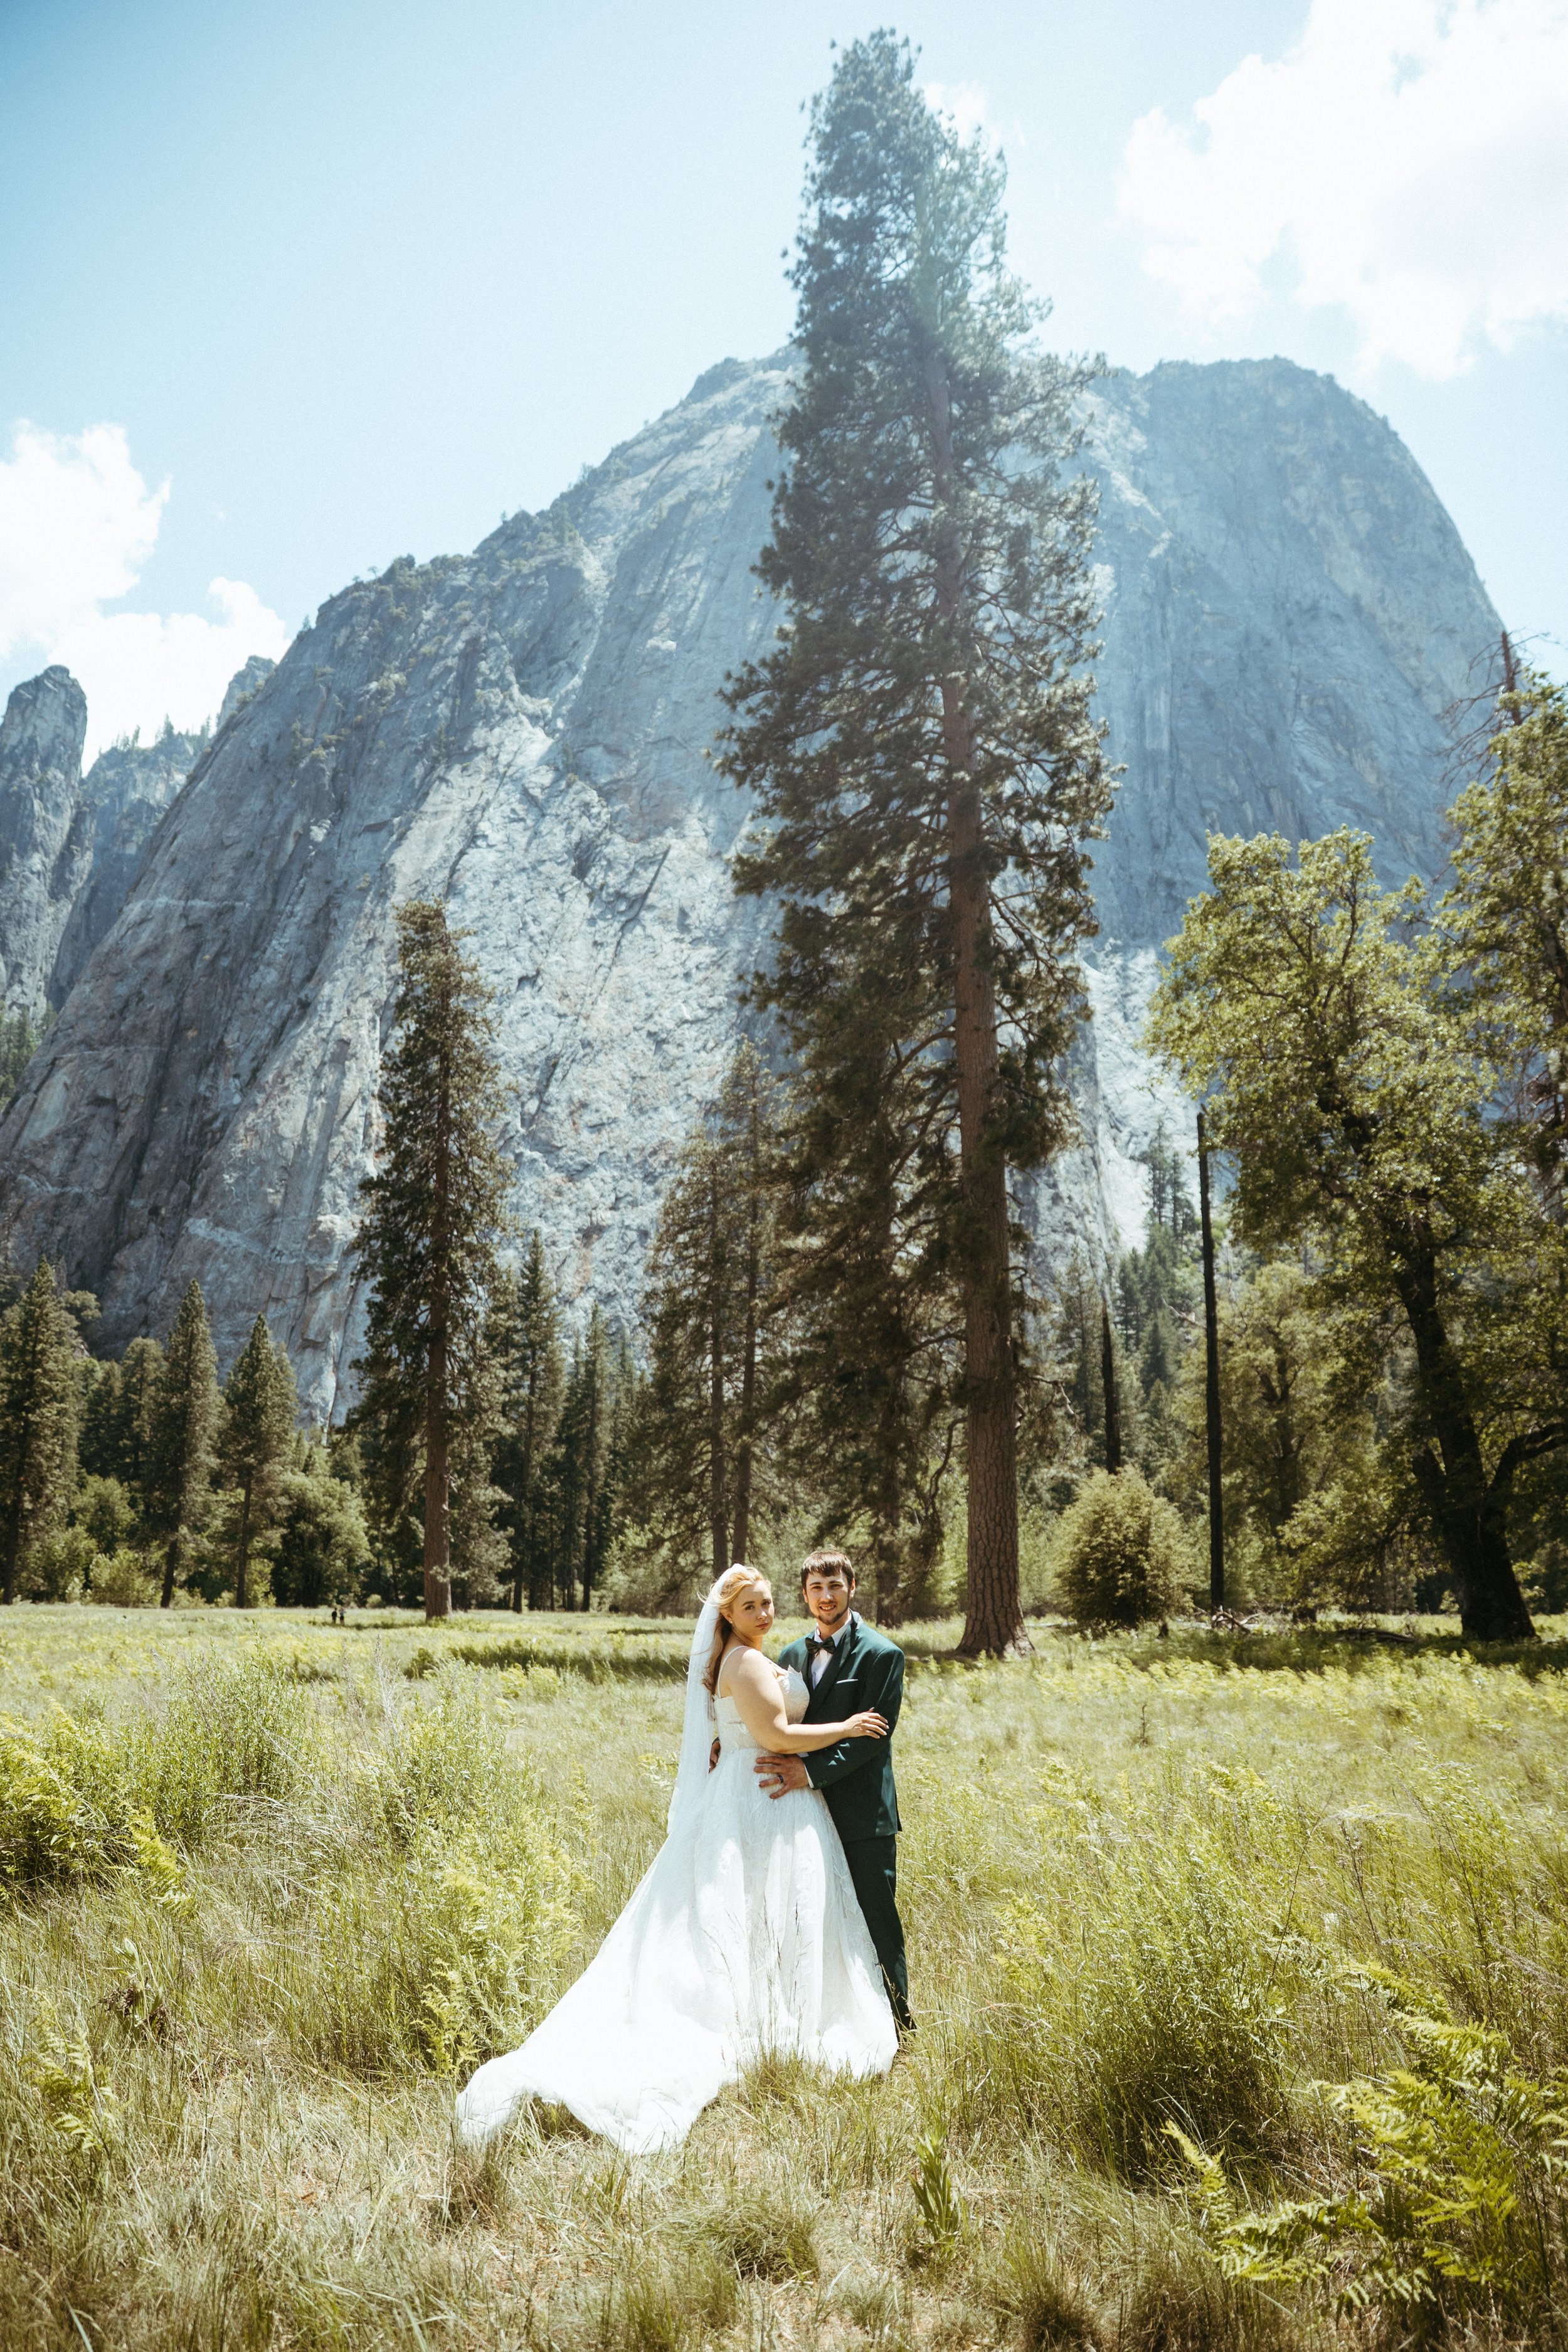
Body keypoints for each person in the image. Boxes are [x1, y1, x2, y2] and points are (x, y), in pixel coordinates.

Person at [454, 1565, 898, 2154]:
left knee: (766, 1911)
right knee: (744, 1911)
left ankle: (773, 2013)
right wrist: (847, 1724)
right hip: (761, 1796)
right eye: (751, 1608)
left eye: (768, 1603)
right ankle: (747, 2024)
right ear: (728, 1617)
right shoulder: (743, 1661)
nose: (765, 1614)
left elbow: (750, 1725)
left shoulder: (760, 1656)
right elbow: (778, 1736)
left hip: (767, 1795)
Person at [761, 1550, 913, 2035]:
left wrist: (811, 1774)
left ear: (852, 1587)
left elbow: (873, 1739)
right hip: (801, 1813)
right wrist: (729, 1742)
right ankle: (826, 2023)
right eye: (816, 1589)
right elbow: (774, 1721)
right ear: (804, 1595)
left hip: (862, 1812)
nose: (826, 1597)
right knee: (811, 1918)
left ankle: (899, 2023)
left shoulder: (882, 1654)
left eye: (834, 1586)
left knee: (875, 1918)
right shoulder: (789, 1655)